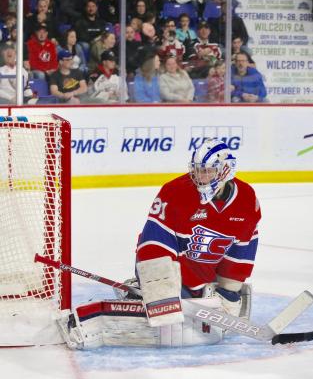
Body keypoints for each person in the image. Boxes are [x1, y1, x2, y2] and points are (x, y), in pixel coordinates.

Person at [60, 139, 261, 349]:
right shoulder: (174, 192)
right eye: (197, 171)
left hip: (205, 279)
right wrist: (159, 284)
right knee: (167, 319)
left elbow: (242, 249)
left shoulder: (247, 199)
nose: (200, 177)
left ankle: (140, 294)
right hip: (175, 275)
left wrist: (230, 290)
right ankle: (141, 290)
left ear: (225, 171)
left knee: (199, 322)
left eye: (207, 171)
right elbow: (154, 240)